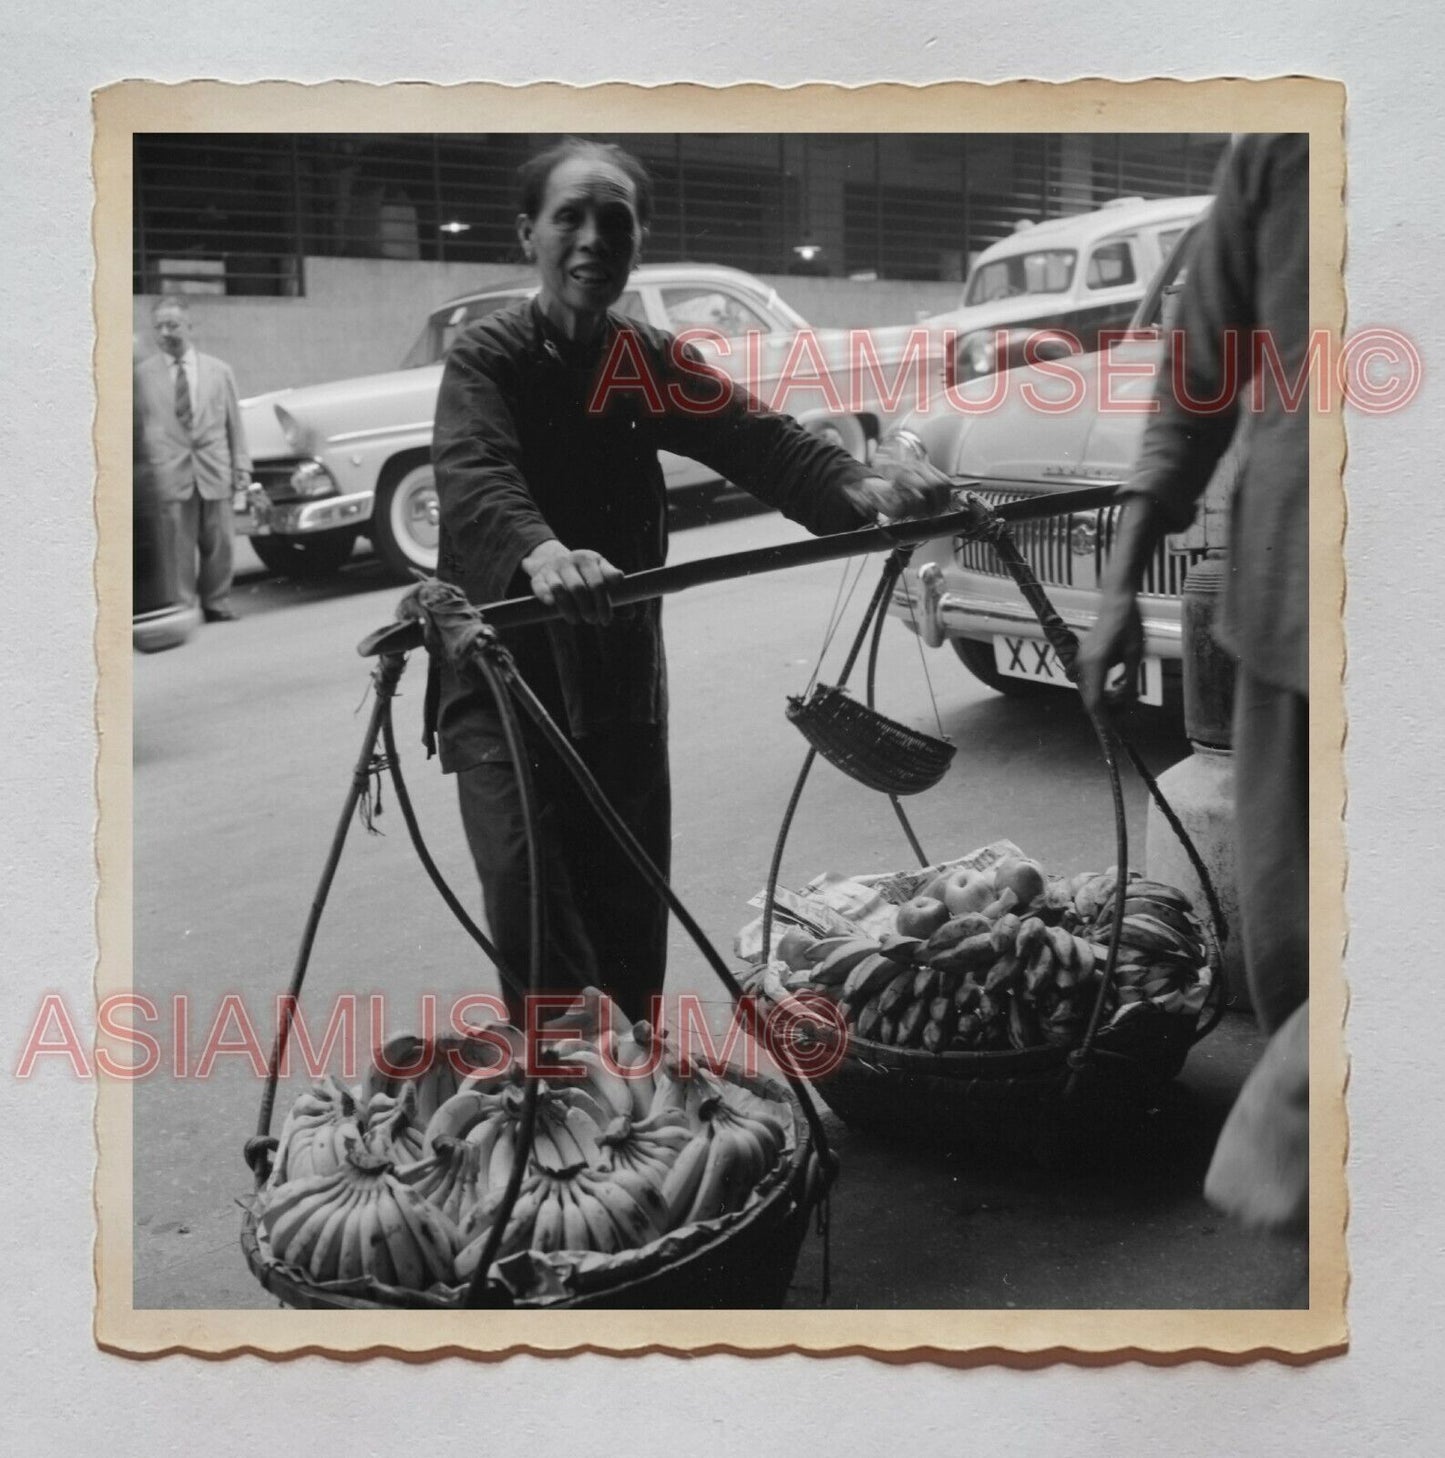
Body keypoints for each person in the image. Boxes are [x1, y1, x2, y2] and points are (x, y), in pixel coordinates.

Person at [430, 138, 950, 1025]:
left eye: (615, 221)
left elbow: (754, 436)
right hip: (505, 673)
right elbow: (475, 471)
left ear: (637, 242)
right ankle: (561, 1103)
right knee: (532, 903)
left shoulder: (642, 357)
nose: (593, 238)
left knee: (628, 900)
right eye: (570, 218)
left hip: (615, 665)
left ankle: (640, 1086)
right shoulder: (488, 357)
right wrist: (541, 551)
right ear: (528, 235)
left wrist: (853, 483)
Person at [1078, 134, 1309, 1230]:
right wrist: (1120, 584)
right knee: (1288, 957)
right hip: (1287, 620)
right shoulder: (1277, 146)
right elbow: (1192, 379)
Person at [135, 296, 252, 622]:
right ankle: (185, 605)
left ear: (189, 327)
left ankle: (216, 602)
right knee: (177, 546)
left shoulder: (219, 371)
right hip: (169, 472)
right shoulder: (142, 376)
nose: (165, 332)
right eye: (158, 326)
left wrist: (241, 464)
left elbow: (234, 422)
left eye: (172, 325)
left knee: (221, 542)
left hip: (215, 466)